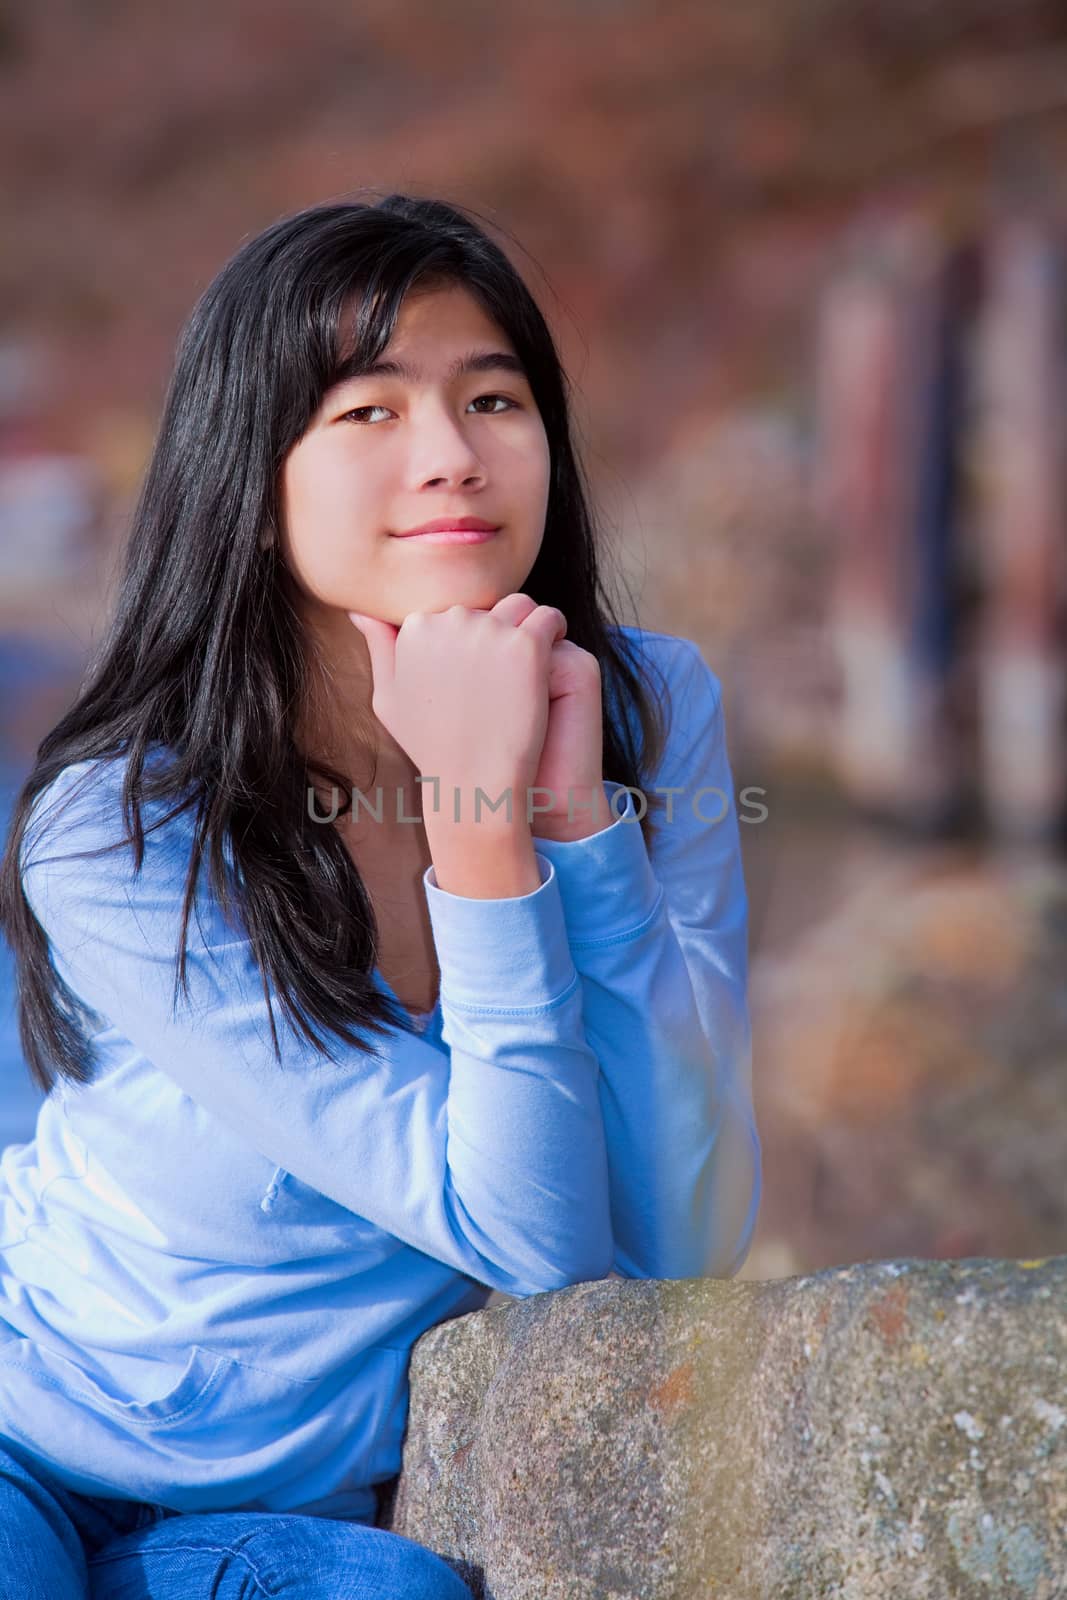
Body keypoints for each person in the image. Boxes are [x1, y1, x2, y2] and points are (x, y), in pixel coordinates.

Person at [0, 193, 761, 1599]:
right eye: (369, 412)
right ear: (252, 464)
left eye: (494, 397)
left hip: (280, 1506)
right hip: (29, 1434)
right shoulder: (118, 826)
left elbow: (667, 1245)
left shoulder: (651, 711)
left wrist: (571, 824)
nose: (453, 458)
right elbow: (524, 1224)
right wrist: (480, 829)